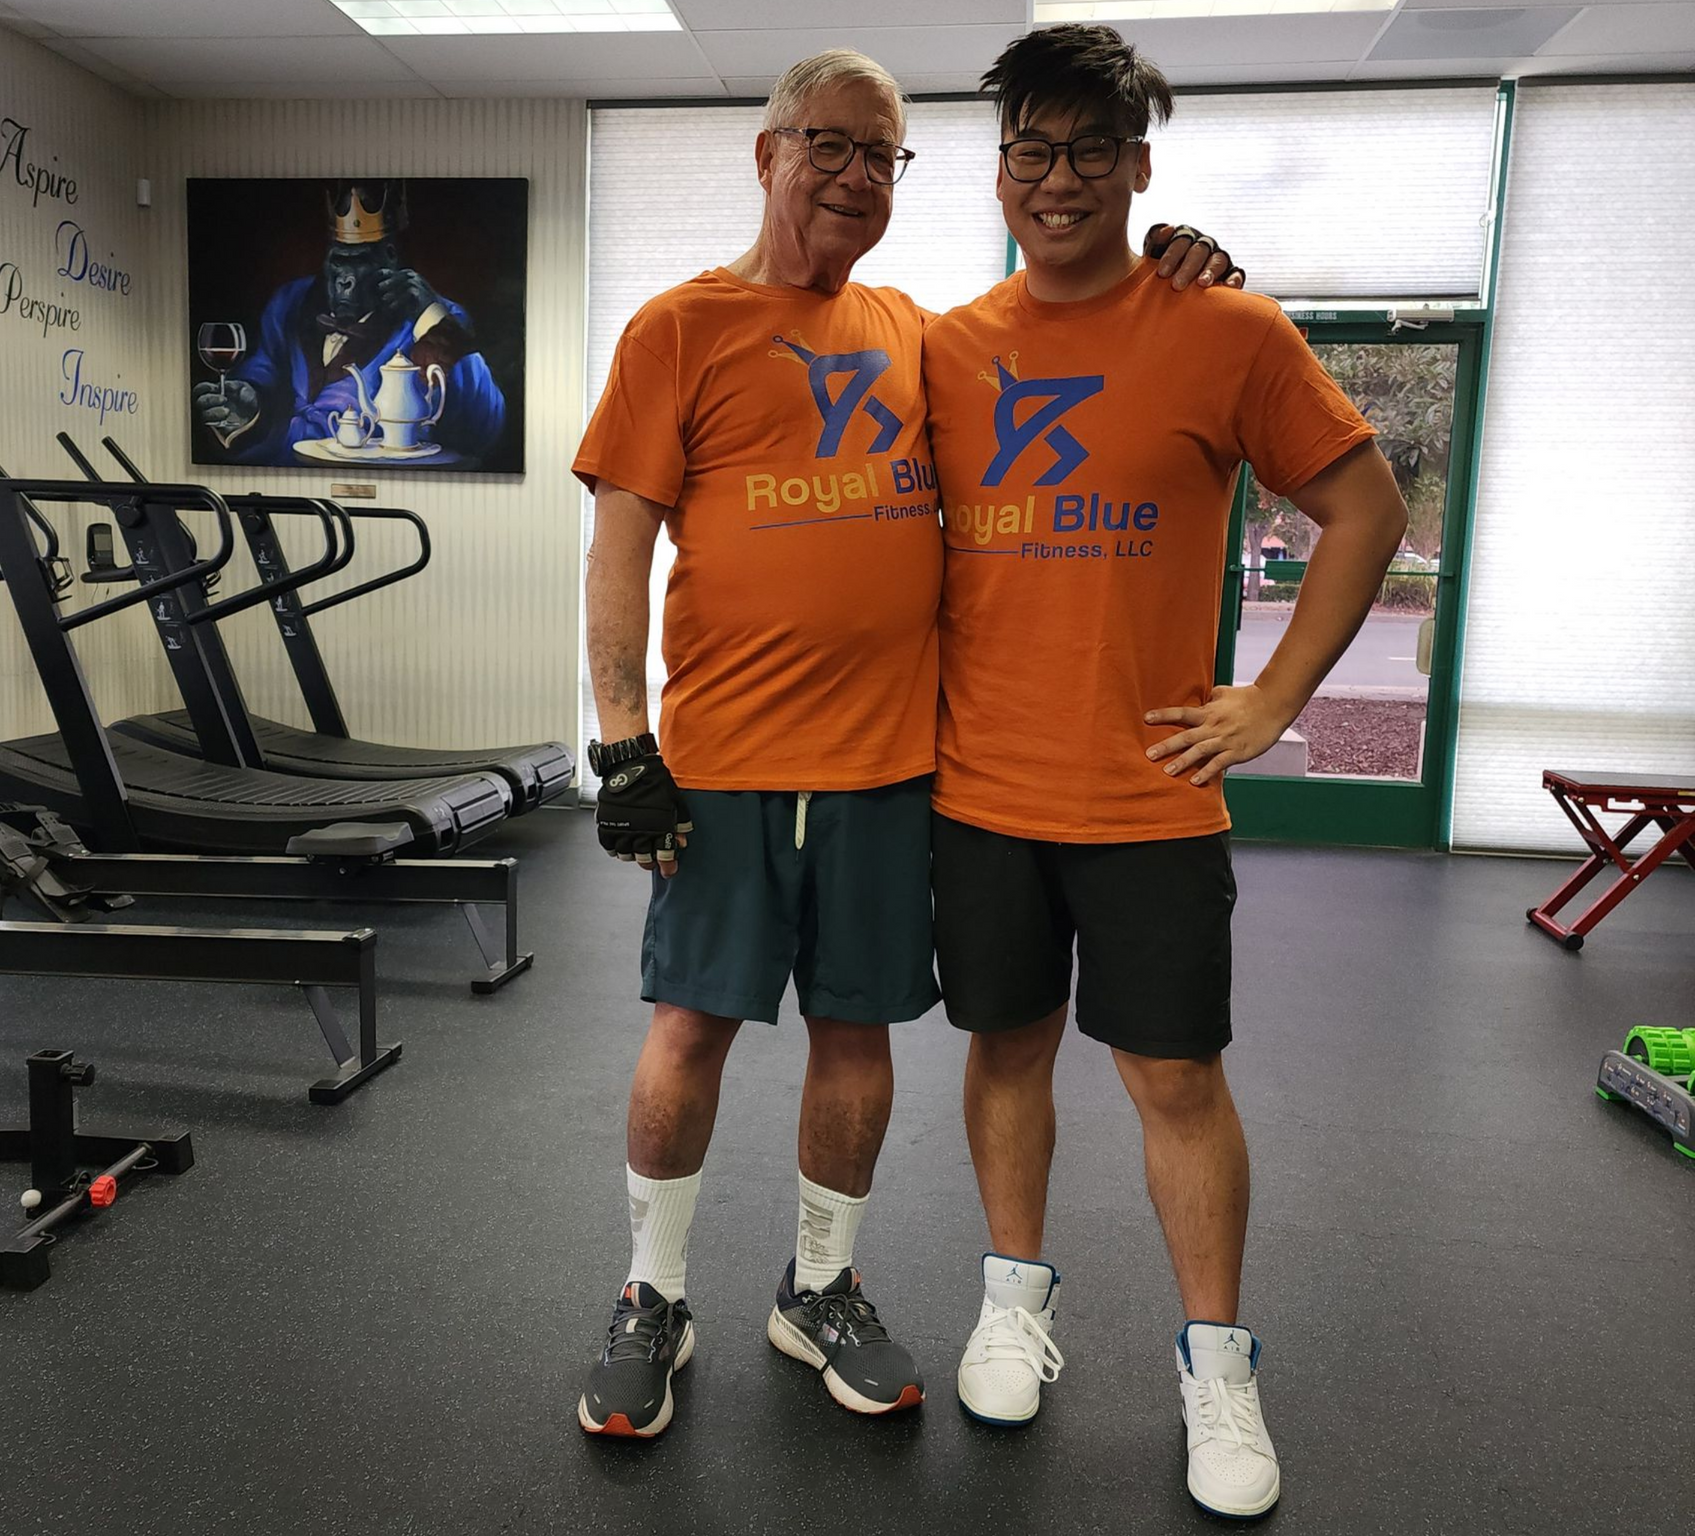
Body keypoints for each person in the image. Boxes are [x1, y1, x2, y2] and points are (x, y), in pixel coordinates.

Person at [570, 48, 1235, 1440]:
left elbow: (1063, 342)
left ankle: (820, 1286)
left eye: (884, 156)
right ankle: (651, 1296)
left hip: (889, 768)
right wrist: (623, 736)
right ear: (768, 153)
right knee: (689, 1029)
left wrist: (1183, 267)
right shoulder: (676, 328)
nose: (857, 175)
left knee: (855, 1034)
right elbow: (620, 542)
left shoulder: (917, 333)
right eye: (833, 143)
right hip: (730, 765)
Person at [923, 24, 1408, 1519]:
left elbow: (1367, 508)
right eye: (1031, 151)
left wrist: (1271, 697)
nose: (1056, 180)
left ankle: (1217, 1369)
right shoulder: (943, 347)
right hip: (978, 788)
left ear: (1139, 169)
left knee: (1176, 1080)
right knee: (1003, 1050)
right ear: (998, 169)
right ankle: (1015, 1302)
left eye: (1088, 152)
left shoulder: (1226, 327)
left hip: (1148, 797)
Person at [193, 181, 505, 464]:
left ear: (390, 259)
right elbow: (264, 371)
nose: (345, 281)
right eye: (339, 261)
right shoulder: (291, 301)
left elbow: (485, 427)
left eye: (358, 263)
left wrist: (430, 316)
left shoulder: (437, 321)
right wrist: (250, 401)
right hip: (285, 471)